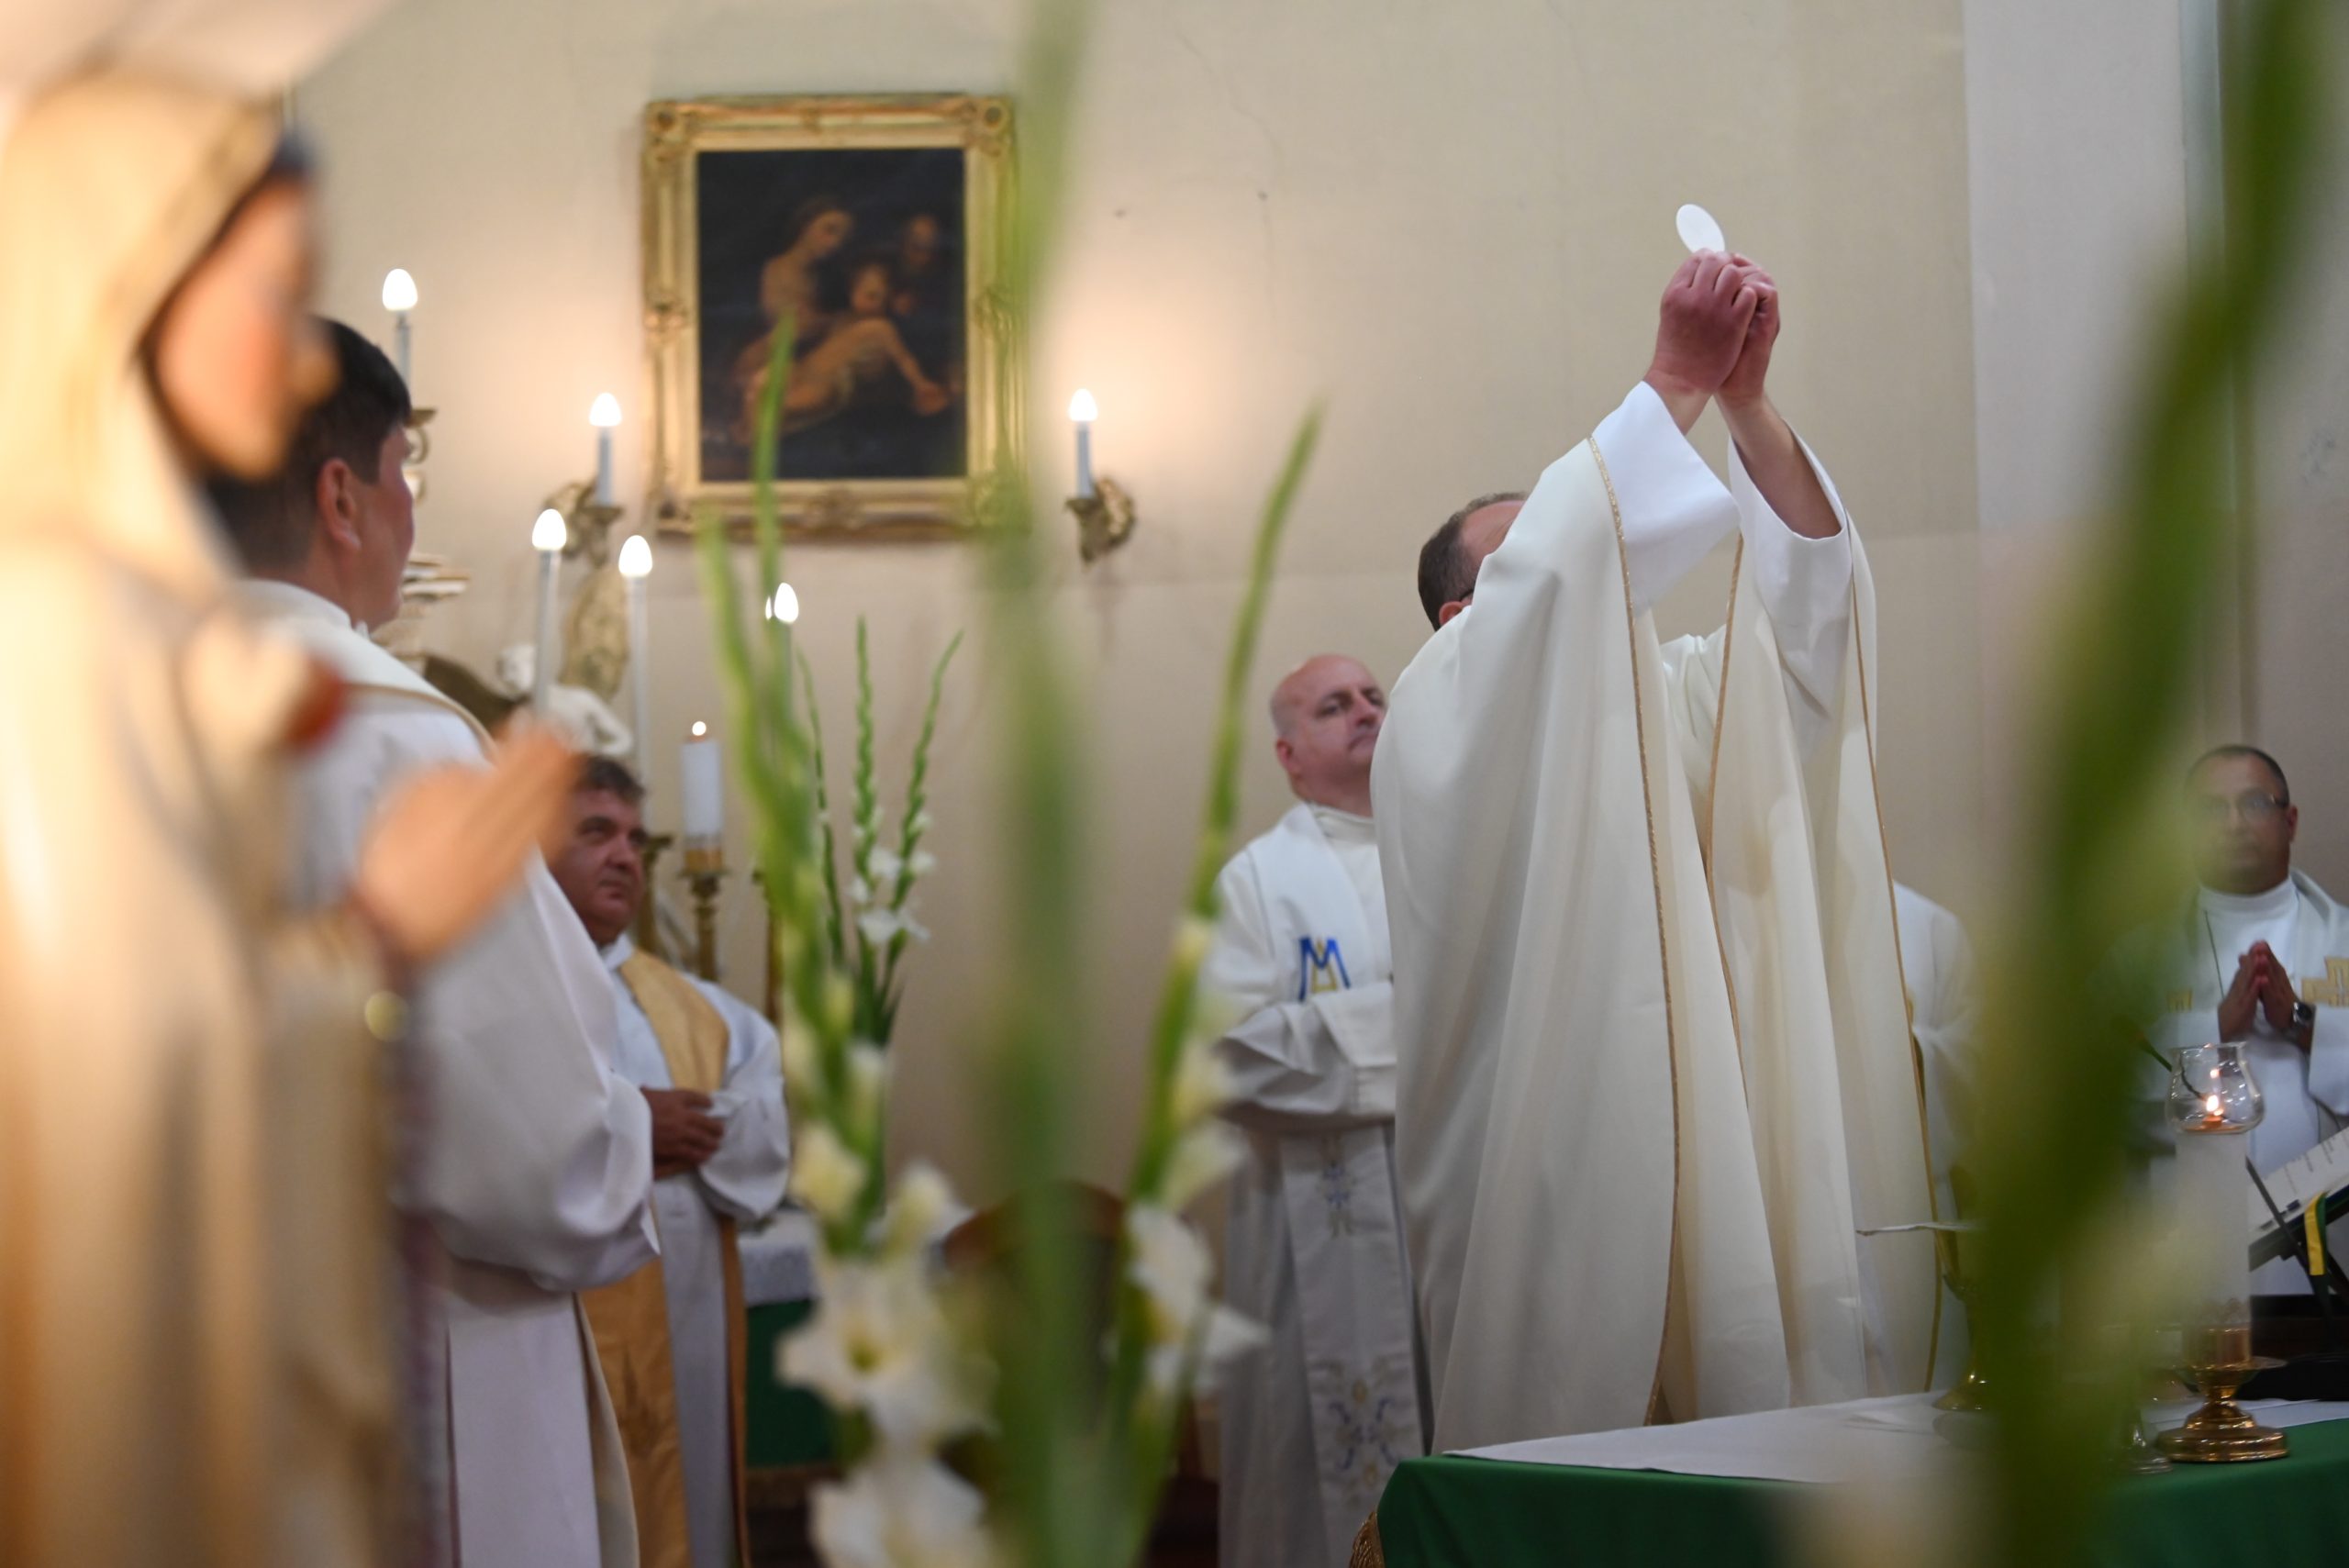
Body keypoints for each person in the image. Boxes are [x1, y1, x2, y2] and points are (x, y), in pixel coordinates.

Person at [0, 69, 576, 1568]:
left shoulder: (143, 638)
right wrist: (378, 940)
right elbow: (115, 1087)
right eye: (263, 291)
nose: (297, 344)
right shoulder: (64, 643)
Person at [1374, 251, 1934, 1451]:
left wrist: (1745, 405)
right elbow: (1544, 592)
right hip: (1563, 1187)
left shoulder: (1668, 691)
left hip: (1738, 1165)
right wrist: (1672, 375)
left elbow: (1810, 637)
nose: (1597, 562)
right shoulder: (1437, 706)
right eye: (1543, 556)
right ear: (1463, 614)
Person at [213, 319, 658, 1568]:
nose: (412, 510)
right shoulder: (400, 745)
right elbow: (542, 1161)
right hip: (406, 1385)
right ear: (341, 496)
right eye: (403, 470)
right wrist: (629, 1135)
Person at [1203, 654, 1424, 1568]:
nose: (1366, 710)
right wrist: (1418, 1028)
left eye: (1374, 695)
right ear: (1289, 755)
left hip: (1441, 1221)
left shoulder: (1443, 843)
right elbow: (1228, 1056)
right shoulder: (1257, 882)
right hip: (1314, 1248)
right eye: (1335, 705)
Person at [551, 757, 792, 1568]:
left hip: (687, 1318)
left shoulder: (703, 1011)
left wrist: (675, 1127)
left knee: (691, 1495)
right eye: (597, 832)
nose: (625, 855)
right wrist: (633, 1128)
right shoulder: (513, 998)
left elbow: (767, 1137)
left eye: (635, 838)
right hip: (564, 1318)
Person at [2132, 746, 2349, 1293]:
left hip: (2333, 1253)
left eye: (2254, 803)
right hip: (2188, 1257)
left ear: (2290, 820)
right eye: (2211, 809)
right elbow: (2094, 1100)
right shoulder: (2137, 960)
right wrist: (2211, 1028)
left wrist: (2303, 1023)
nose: (2233, 824)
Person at [1894, 881, 1981, 1378]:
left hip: (1911, 1198)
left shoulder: (1930, 926)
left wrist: (1911, 1052)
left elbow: (1977, 1062)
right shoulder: (1761, 917)